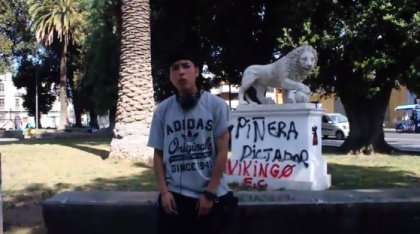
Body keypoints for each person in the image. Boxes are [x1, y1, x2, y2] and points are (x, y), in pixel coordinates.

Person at [147, 50, 234, 234]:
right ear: (170, 76)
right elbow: (158, 154)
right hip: (175, 198)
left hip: (211, 195)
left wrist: (209, 193)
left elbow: (222, 152)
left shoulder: (216, 106)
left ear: (197, 71)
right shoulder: (162, 111)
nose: (181, 72)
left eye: (186, 66)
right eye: (175, 68)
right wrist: (164, 192)